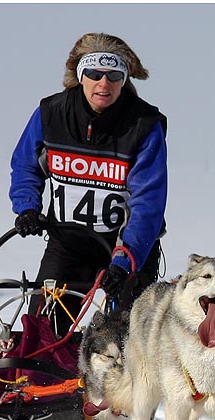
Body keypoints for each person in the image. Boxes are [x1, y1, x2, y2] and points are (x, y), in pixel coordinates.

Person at [9, 32, 167, 334]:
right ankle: (43, 379)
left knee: (126, 340)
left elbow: (148, 203)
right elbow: (25, 165)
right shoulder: (51, 113)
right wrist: (28, 207)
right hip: (68, 243)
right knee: (42, 330)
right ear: (80, 76)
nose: (103, 84)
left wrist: (125, 261)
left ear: (125, 80)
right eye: (94, 74)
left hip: (126, 245)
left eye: (114, 75)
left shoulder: (144, 125)